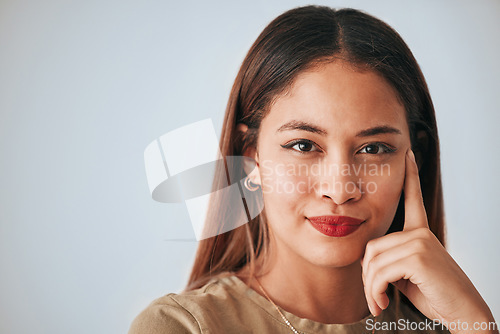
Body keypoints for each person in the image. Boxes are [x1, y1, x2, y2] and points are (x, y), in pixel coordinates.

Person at [129, 5, 497, 334]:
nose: (339, 189)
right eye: (304, 146)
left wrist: (477, 326)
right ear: (251, 156)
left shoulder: (451, 325)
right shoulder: (184, 327)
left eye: (373, 148)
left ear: (413, 158)